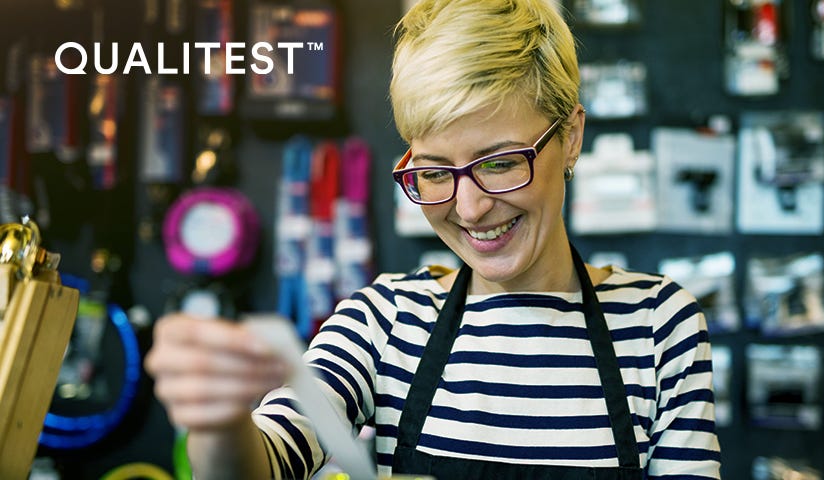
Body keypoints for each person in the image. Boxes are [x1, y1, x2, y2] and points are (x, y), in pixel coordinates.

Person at [144, 0, 722, 479]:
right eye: (436, 172)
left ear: (570, 137)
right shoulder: (385, 320)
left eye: (499, 163)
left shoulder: (656, 326)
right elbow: (266, 465)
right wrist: (217, 421)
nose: (469, 209)